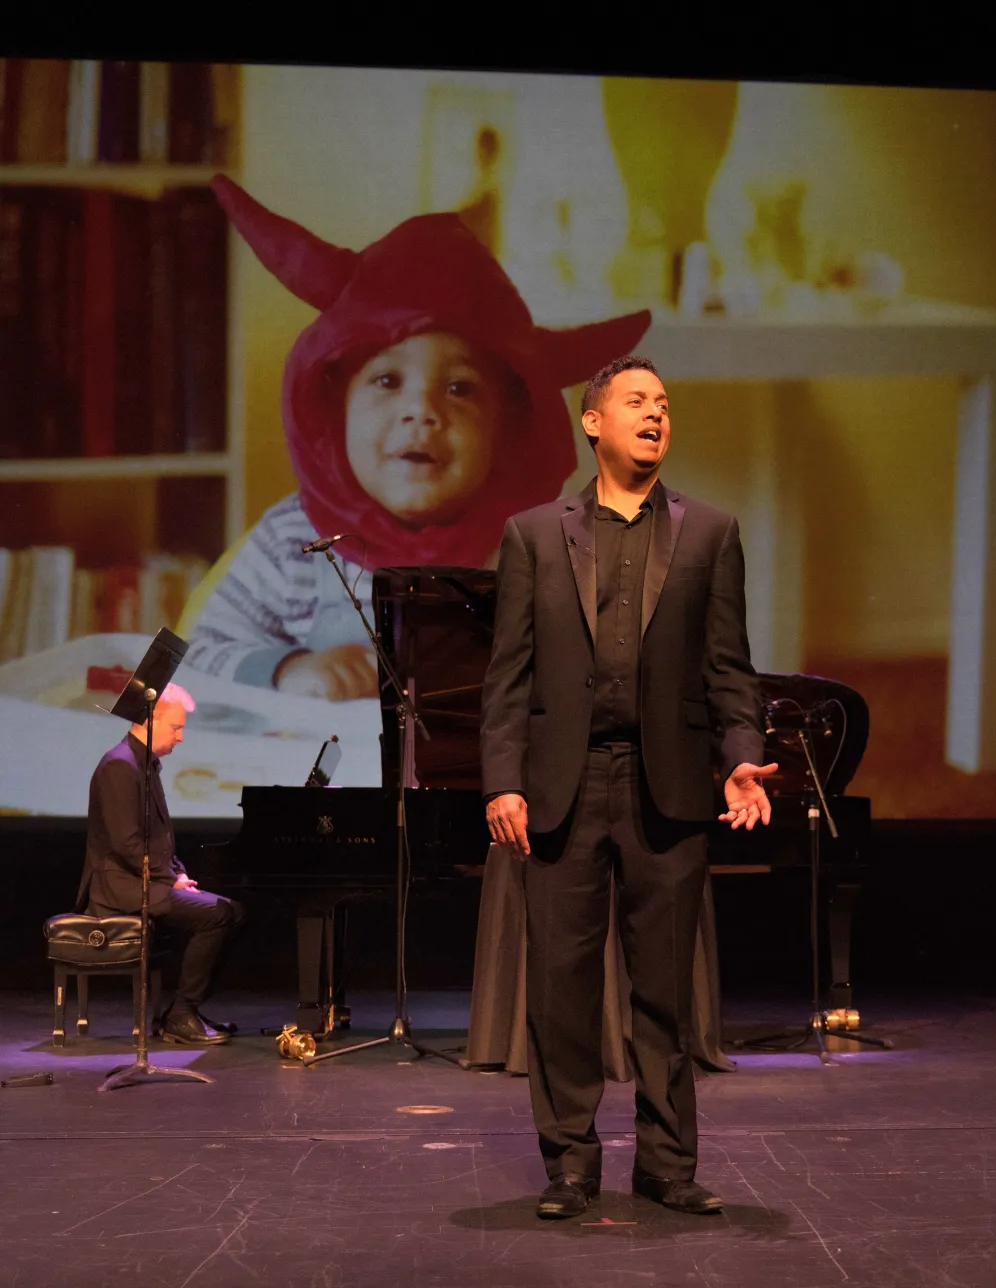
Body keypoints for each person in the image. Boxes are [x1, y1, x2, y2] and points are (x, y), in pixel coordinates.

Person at [480, 355, 779, 1219]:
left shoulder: (710, 533)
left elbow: (730, 670)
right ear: (593, 421)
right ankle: (570, 1165)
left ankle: (666, 1164)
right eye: (638, 402)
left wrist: (741, 753)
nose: (656, 415)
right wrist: (503, 782)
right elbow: (508, 675)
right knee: (562, 990)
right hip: (561, 791)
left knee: (663, 992)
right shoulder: (534, 534)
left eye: (665, 405)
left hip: (669, 791)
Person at [184, 175, 650, 700]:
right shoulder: (293, 544)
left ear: (507, 428)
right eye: (387, 381)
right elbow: (196, 656)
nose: (422, 412)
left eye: (459, 388)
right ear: (335, 410)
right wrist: (286, 669)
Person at [78, 683, 244, 1045]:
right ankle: (181, 1015)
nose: (181, 737)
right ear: (149, 720)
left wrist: (179, 872)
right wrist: (170, 881)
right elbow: (127, 844)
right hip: (120, 887)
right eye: (176, 727)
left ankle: (185, 1011)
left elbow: (160, 838)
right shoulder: (120, 766)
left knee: (232, 911)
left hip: (146, 879)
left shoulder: (145, 764)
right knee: (218, 914)